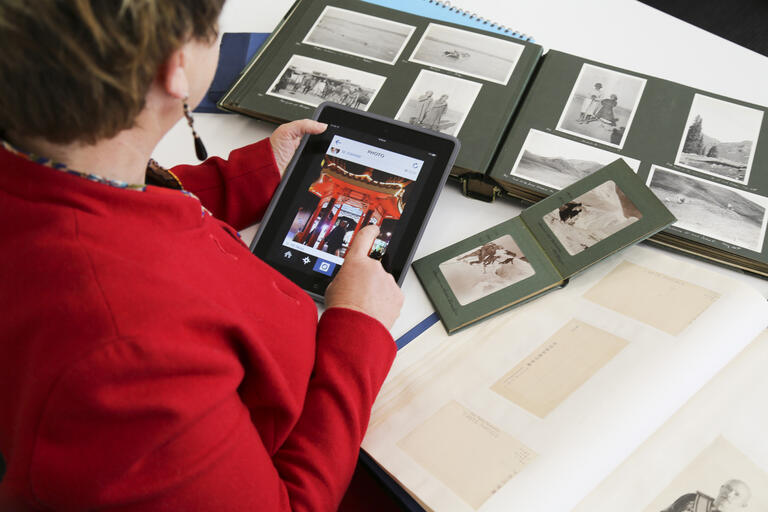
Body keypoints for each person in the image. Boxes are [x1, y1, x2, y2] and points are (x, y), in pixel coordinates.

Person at [0, 2, 403, 511]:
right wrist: (357, 330)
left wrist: (249, 177)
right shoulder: (124, 363)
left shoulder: (38, 163)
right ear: (175, 70)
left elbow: (108, 196)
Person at [662, 479, 751, 512]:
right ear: (721, 488)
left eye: (737, 494)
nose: (729, 495)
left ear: (743, 504)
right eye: (728, 488)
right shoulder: (692, 499)